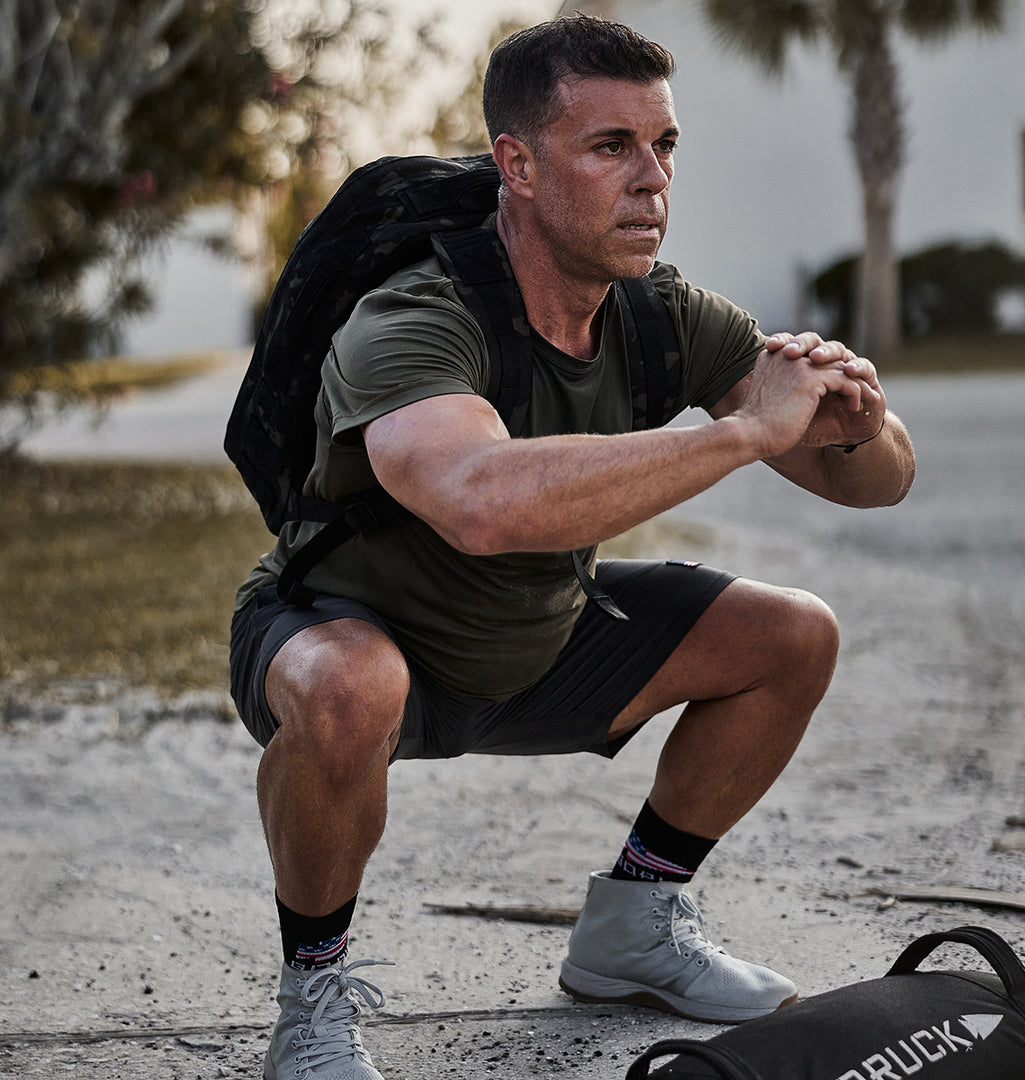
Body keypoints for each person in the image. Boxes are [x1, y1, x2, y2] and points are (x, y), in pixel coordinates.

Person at [228, 14, 915, 1080]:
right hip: (353, 636)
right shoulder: (416, 316)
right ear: (519, 165)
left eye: (664, 146)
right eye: (611, 148)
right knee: (350, 687)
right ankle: (312, 998)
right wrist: (740, 434)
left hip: (539, 641)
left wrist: (858, 417)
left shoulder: (662, 315)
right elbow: (481, 503)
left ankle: (632, 926)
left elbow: (877, 483)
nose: (652, 179)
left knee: (793, 636)